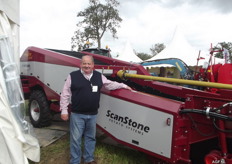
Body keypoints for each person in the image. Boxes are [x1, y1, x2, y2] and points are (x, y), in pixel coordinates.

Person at [60, 55, 132, 164]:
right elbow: (65, 94)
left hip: (92, 115)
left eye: (89, 63)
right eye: (84, 63)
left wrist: (123, 85)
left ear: (93, 65)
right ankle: (75, 161)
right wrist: (64, 110)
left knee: (90, 138)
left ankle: (89, 159)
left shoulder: (99, 76)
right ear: (81, 64)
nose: (86, 65)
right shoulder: (72, 76)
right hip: (77, 114)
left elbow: (109, 84)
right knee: (76, 139)